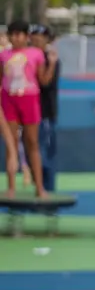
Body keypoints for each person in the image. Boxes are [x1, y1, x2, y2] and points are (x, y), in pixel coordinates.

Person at [0, 20, 57, 197]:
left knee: (32, 143)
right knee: (12, 144)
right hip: (9, 99)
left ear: (26, 37)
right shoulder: (4, 55)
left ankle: (39, 187)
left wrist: (52, 64)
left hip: (30, 99)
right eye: (13, 35)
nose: (16, 38)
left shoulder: (35, 54)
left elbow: (44, 80)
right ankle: (11, 187)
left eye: (20, 35)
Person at [30, 25, 59, 192]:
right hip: (29, 113)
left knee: (46, 151)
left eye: (41, 38)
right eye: (34, 38)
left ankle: (48, 188)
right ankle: (38, 185)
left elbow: (46, 85)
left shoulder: (51, 60)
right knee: (32, 150)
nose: (37, 41)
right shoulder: (26, 58)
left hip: (45, 112)